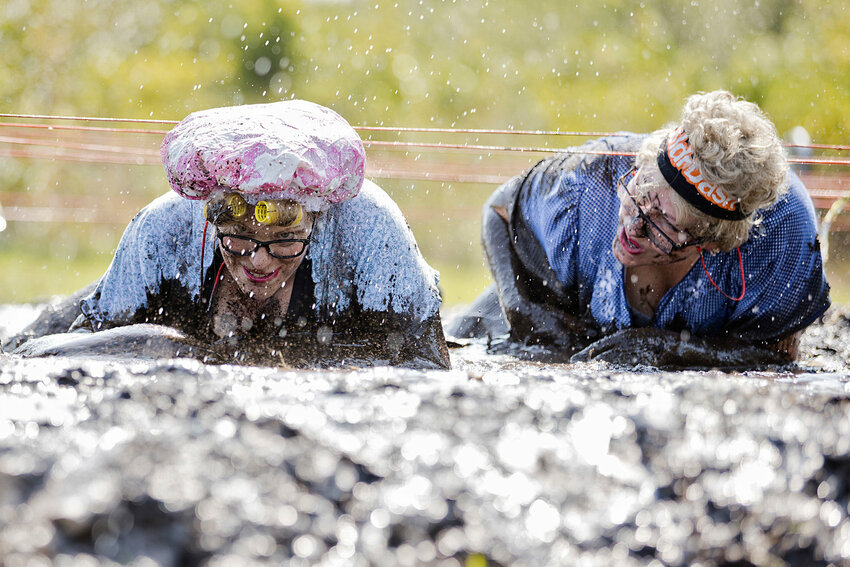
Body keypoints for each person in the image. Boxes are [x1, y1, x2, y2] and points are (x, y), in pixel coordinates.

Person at [11, 100, 451, 369]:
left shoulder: (371, 232)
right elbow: (76, 357)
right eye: (238, 240)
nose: (259, 261)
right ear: (212, 223)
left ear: (318, 220)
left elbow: (426, 365)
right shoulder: (161, 232)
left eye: (284, 242)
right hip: (124, 292)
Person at [448, 91, 830, 367]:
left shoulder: (781, 238)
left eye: (662, 223)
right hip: (531, 314)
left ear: (712, 241)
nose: (631, 226)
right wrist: (522, 307)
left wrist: (669, 349)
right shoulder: (593, 177)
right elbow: (497, 210)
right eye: (640, 191)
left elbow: (777, 353)